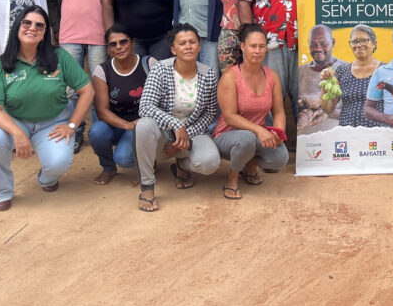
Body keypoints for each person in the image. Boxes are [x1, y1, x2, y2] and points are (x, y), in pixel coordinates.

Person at [0, 6, 93, 211]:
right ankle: (2, 191)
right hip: (14, 121)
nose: (32, 28)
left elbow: (87, 91)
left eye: (39, 25)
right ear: (18, 27)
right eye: (27, 23)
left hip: (53, 121)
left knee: (58, 162)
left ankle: (47, 178)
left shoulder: (60, 57)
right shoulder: (1, 65)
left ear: (44, 33)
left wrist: (72, 124)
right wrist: (18, 134)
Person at [133, 23, 222, 212]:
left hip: (192, 132)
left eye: (192, 42)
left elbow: (210, 112)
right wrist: (175, 125)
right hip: (162, 134)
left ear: (199, 46)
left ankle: (182, 165)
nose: (188, 46)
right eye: (182, 43)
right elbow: (146, 106)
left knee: (210, 162)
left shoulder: (208, 74)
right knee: (143, 125)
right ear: (173, 49)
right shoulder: (160, 70)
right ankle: (147, 188)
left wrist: (186, 134)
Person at [44, 0, 112, 153]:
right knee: (72, 87)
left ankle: (99, 133)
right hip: (69, 35)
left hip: (99, 35)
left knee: (97, 85)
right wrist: (55, 26)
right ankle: (74, 131)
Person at [214, 24, 290, 200]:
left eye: (262, 46)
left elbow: (279, 111)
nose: (258, 51)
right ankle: (232, 178)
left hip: (256, 136)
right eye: (253, 46)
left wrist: (279, 132)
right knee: (246, 139)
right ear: (242, 47)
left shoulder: (272, 76)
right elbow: (230, 117)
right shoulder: (230, 76)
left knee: (280, 157)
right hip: (228, 136)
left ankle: (249, 164)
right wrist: (260, 130)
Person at [88, 24, 155, 185]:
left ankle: (148, 163)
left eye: (123, 42)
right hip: (117, 123)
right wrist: (127, 125)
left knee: (124, 158)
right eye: (113, 44)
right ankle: (108, 168)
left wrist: (140, 124)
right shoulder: (103, 70)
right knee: (97, 132)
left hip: (144, 123)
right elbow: (102, 111)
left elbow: (162, 100)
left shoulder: (149, 64)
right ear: (108, 48)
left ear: (132, 43)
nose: (118, 47)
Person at [327, 24, 383, 127]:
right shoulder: (342, 71)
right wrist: (326, 83)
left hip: (379, 135)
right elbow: (328, 108)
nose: (358, 45)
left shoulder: (386, 70)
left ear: (374, 44)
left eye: (363, 40)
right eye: (354, 41)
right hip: (347, 136)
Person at [297, 24, 348, 133]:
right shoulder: (300, 72)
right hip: (306, 141)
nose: (318, 48)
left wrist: (326, 111)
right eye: (313, 44)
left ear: (333, 43)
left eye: (323, 43)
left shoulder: (347, 69)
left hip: (340, 139)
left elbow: (357, 109)